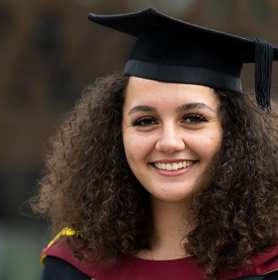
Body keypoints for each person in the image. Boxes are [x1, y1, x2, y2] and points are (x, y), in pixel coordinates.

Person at [31, 8, 278, 280]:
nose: (169, 142)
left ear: (233, 131)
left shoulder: (267, 266)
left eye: (193, 118)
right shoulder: (74, 265)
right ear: (116, 133)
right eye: (145, 121)